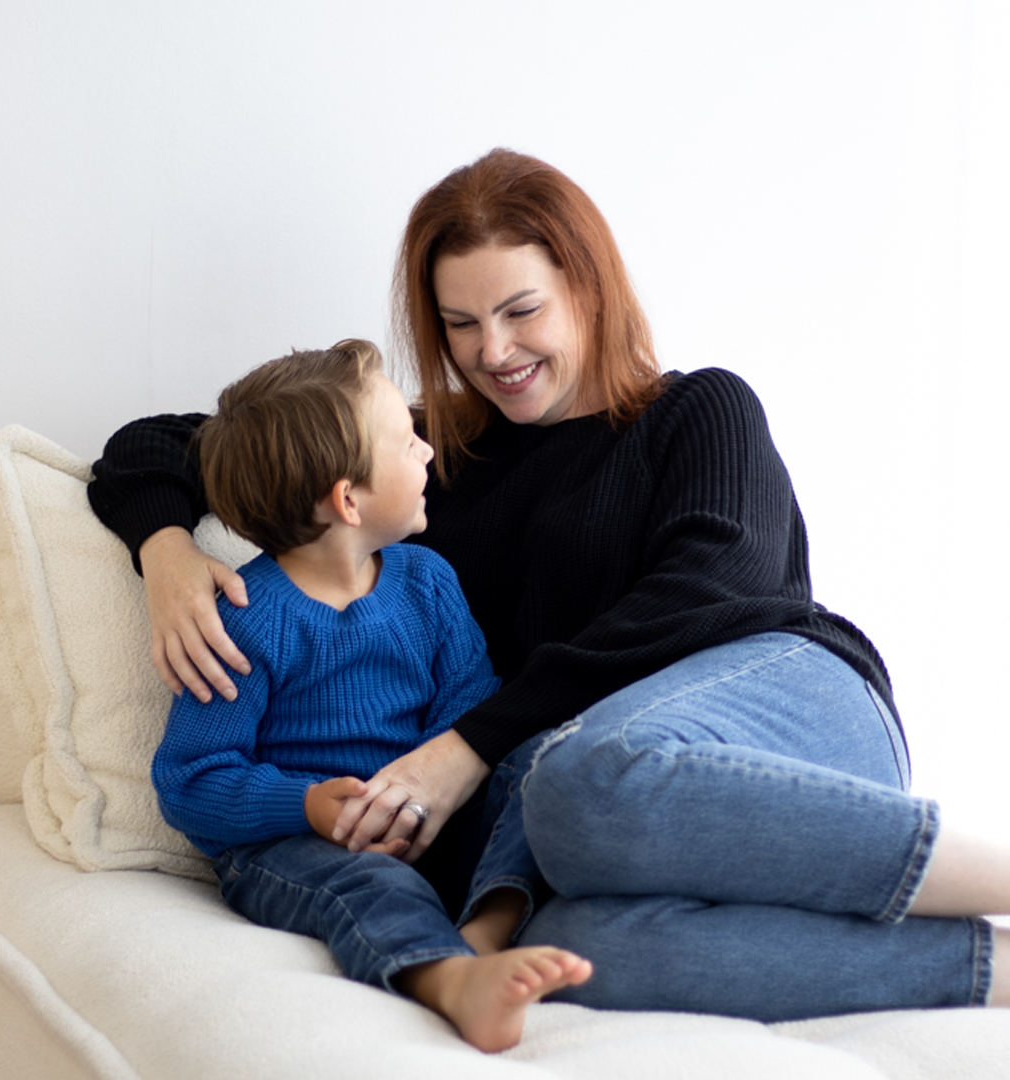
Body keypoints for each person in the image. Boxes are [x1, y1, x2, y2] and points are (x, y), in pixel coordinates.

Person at [90, 148, 1010, 1023]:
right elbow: (162, 443)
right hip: (592, 804)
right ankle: (989, 972)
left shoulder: (698, 411)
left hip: (787, 706)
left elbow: (711, 590)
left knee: (571, 782)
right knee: (574, 941)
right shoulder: (416, 461)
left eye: (520, 310)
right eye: (458, 324)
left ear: (587, 287)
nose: (492, 351)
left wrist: (468, 747)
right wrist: (165, 554)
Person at [151, 339, 590, 1051]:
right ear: (347, 499)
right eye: (407, 441)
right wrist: (307, 805)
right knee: (370, 884)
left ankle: (485, 929)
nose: (427, 453)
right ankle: (447, 980)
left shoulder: (427, 582)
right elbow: (190, 780)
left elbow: (471, 712)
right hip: (291, 845)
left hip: (425, 815)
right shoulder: (246, 617)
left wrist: (432, 801)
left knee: (542, 768)